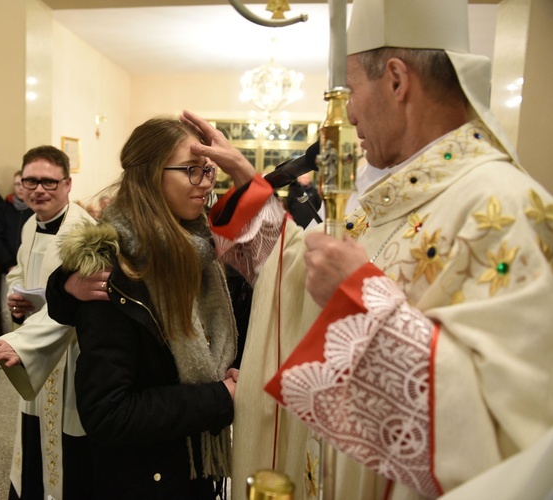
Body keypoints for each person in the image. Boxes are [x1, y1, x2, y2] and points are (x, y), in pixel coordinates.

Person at [177, 0, 553, 497]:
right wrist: (245, 180)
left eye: (352, 90)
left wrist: (361, 300)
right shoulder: (385, 197)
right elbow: (295, 272)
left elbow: (515, 439)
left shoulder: (506, 208)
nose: (348, 111)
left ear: (396, 81)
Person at [45, 117, 238, 499]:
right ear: (150, 175)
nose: (205, 182)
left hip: (192, 465)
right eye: (191, 170)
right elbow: (108, 413)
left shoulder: (203, 248)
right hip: (144, 477)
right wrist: (221, 398)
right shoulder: (115, 268)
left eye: (209, 170)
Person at [0, 145, 96, 500]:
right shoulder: (32, 222)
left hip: (69, 352)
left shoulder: (85, 233)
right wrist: (17, 299)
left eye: (48, 181)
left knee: (67, 439)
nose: (38, 189)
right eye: (30, 181)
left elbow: (82, 302)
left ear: (67, 184)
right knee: (34, 428)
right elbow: (19, 270)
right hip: (34, 344)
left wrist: (20, 340)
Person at [0, 170, 34, 333]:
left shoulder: (36, 208)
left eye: (24, 183)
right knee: (6, 310)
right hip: (8, 269)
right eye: (17, 184)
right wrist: (9, 264)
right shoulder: (4, 207)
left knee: (29, 311)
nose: (20, 188)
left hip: (30, 269)